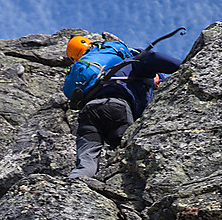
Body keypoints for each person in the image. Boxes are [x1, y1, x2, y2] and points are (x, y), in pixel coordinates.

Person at [65, 35, 182, 180]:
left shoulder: (101, 75)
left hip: (89, 112)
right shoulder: (132, 64)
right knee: (128, 153)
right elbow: (154, 57)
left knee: (86, 162)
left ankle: (73, 184)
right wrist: (185, 66)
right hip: (116, 108)